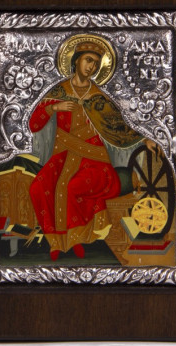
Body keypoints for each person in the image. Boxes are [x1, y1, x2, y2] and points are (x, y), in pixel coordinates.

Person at [28, 41, 159, 261]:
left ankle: (77, 239)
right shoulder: (59, 91)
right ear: (76, 60)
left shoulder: (98, 96)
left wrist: (144, 139)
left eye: (96, 64)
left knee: (71, 187)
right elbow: (33, 125)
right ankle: (56, 242)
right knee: (38, 187)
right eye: (88, 60)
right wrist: (53, 107)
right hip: (63, 156)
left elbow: (120, 127)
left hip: (94, 159)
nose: (92, 67)